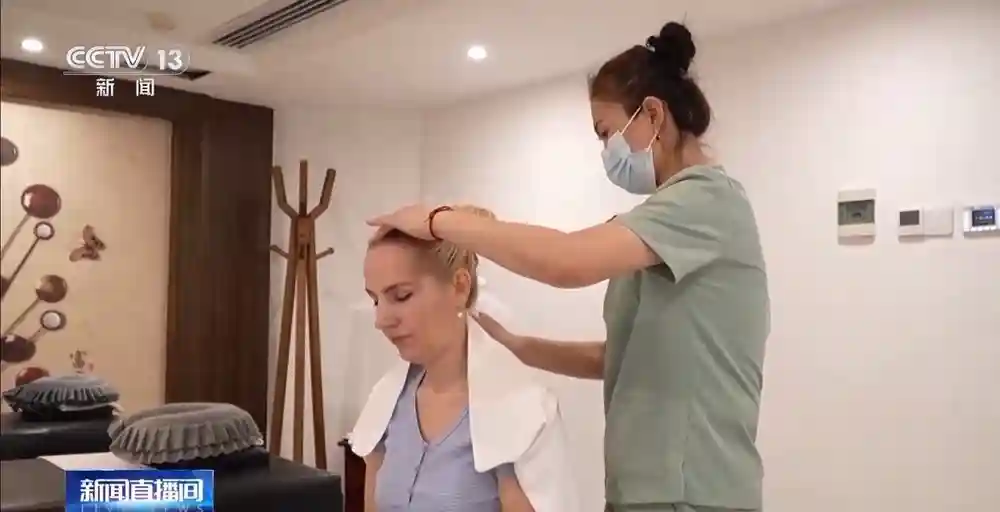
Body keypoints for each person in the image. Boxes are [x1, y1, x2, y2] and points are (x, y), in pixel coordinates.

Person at [366, 21, 770, 512]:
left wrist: (438, 221)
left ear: (653, 114)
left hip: (694, 492)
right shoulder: (657, 225)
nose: (607, 152)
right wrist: (517, 346)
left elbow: (565, 261)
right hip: (642, 491)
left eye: (607, 133)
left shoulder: (707, 202)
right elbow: (620, 357)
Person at [349, 205, 577, 512]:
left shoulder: (519, 414)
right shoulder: (386, 403)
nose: (381, 320)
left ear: (459, 286)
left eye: (401, 296)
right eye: (376, 300)